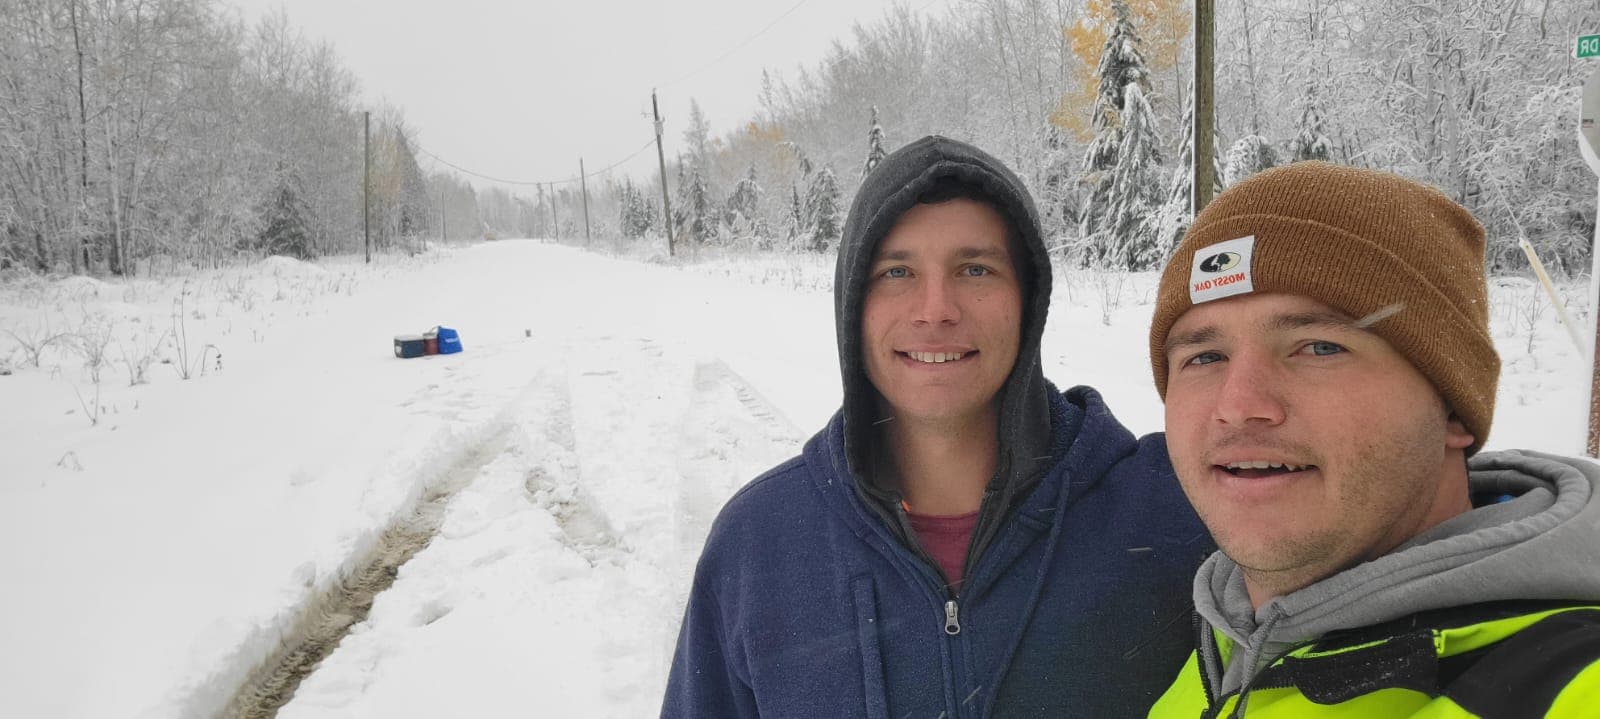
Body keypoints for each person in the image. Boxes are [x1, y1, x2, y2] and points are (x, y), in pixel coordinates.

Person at [661, 136, 1212, 718]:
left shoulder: (1173, 510)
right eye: (896, 272)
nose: (936, 309)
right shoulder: (758, 544)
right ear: (853, 303)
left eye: (976, 268)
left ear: (1029, 299)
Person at [1145, 161, 1600, 718]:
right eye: (1204, 357)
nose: (1238, 406)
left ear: (1453, 407)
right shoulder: (1224, 636)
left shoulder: (1570, 684)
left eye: (1319, 347)